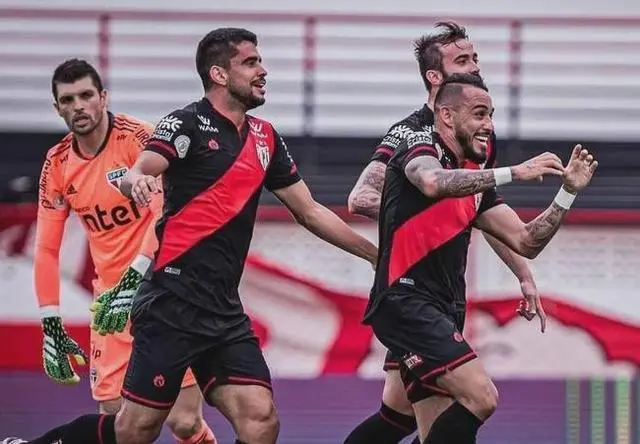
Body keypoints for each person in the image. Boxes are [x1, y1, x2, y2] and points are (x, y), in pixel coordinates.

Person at [3, 27, 377, 444]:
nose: (263, 70)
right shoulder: (185, 123)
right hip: (171, 304)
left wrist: (374, 255)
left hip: (223, 311)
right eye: (251, 62)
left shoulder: (266, 138)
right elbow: (140, 169)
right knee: (134, 430)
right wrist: (136, 181)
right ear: (219, 74)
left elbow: (309, 211)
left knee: (260, 420)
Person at [364, 73, 597, 444]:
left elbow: (526, 241)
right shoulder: (419, 144)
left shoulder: (476, 182)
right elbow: (432, 182)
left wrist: (567, 193)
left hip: (443, 307)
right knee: (481, 397)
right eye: (479, 114)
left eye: (491, 115)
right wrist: (514, 173)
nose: (488, 125)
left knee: (407, 419)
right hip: (406, 302)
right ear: (446, 115)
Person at [344, 21, 544, 444]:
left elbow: (480, 205)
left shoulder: (479, 133)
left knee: (398, 413)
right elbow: (361, 197)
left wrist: (523, 274)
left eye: (475, 58)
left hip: (446, 290)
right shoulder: (411, 132)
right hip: (412, 291)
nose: (475, 66)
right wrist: (430, 212)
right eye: (462, 60)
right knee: (459, 404)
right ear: (435, 77)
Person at [29, 58, 216, 444]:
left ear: (103, 97)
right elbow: (46, 248)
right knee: (117, 421)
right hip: (111, 307)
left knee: (183, 422)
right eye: (68, 100)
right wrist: (50, 322)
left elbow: (165, 215)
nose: (78, 106)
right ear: (57, 108)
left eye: (86, 95)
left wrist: (135, 278)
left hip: (166, 293)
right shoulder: (57, 163)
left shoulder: (138, 139)